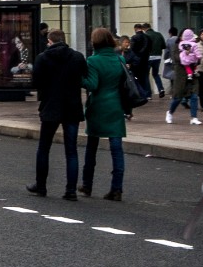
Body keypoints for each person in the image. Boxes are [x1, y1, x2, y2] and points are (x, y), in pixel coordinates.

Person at [28, 28, 84, 201]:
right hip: (72, 107)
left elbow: (35, 82)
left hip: (50, 106)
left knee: (44, 148)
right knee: (71, 151)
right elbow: (83, 77)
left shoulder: (43, 58)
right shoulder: (77, 57)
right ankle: (71, 190)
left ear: (50, 41)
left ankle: (41, 186)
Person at [81, 26, 131, 202]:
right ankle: (116, 188)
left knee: (92, 148)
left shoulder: (93, 61)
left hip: (98, 106)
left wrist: (80, 79)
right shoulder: (119, 60)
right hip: (116, 106)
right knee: (116, 149)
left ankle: (87, 184)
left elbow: (92, 85)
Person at [167, 29, 202, 124]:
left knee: (194, 95)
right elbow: (176, 58)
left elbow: (198, 58)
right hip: (181, 74)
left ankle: (194, 117)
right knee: (178, 97)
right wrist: (186, 54)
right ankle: (170, 112)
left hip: (193, 73)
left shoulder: (193, 45)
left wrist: (194, 57)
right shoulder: (177, 46)